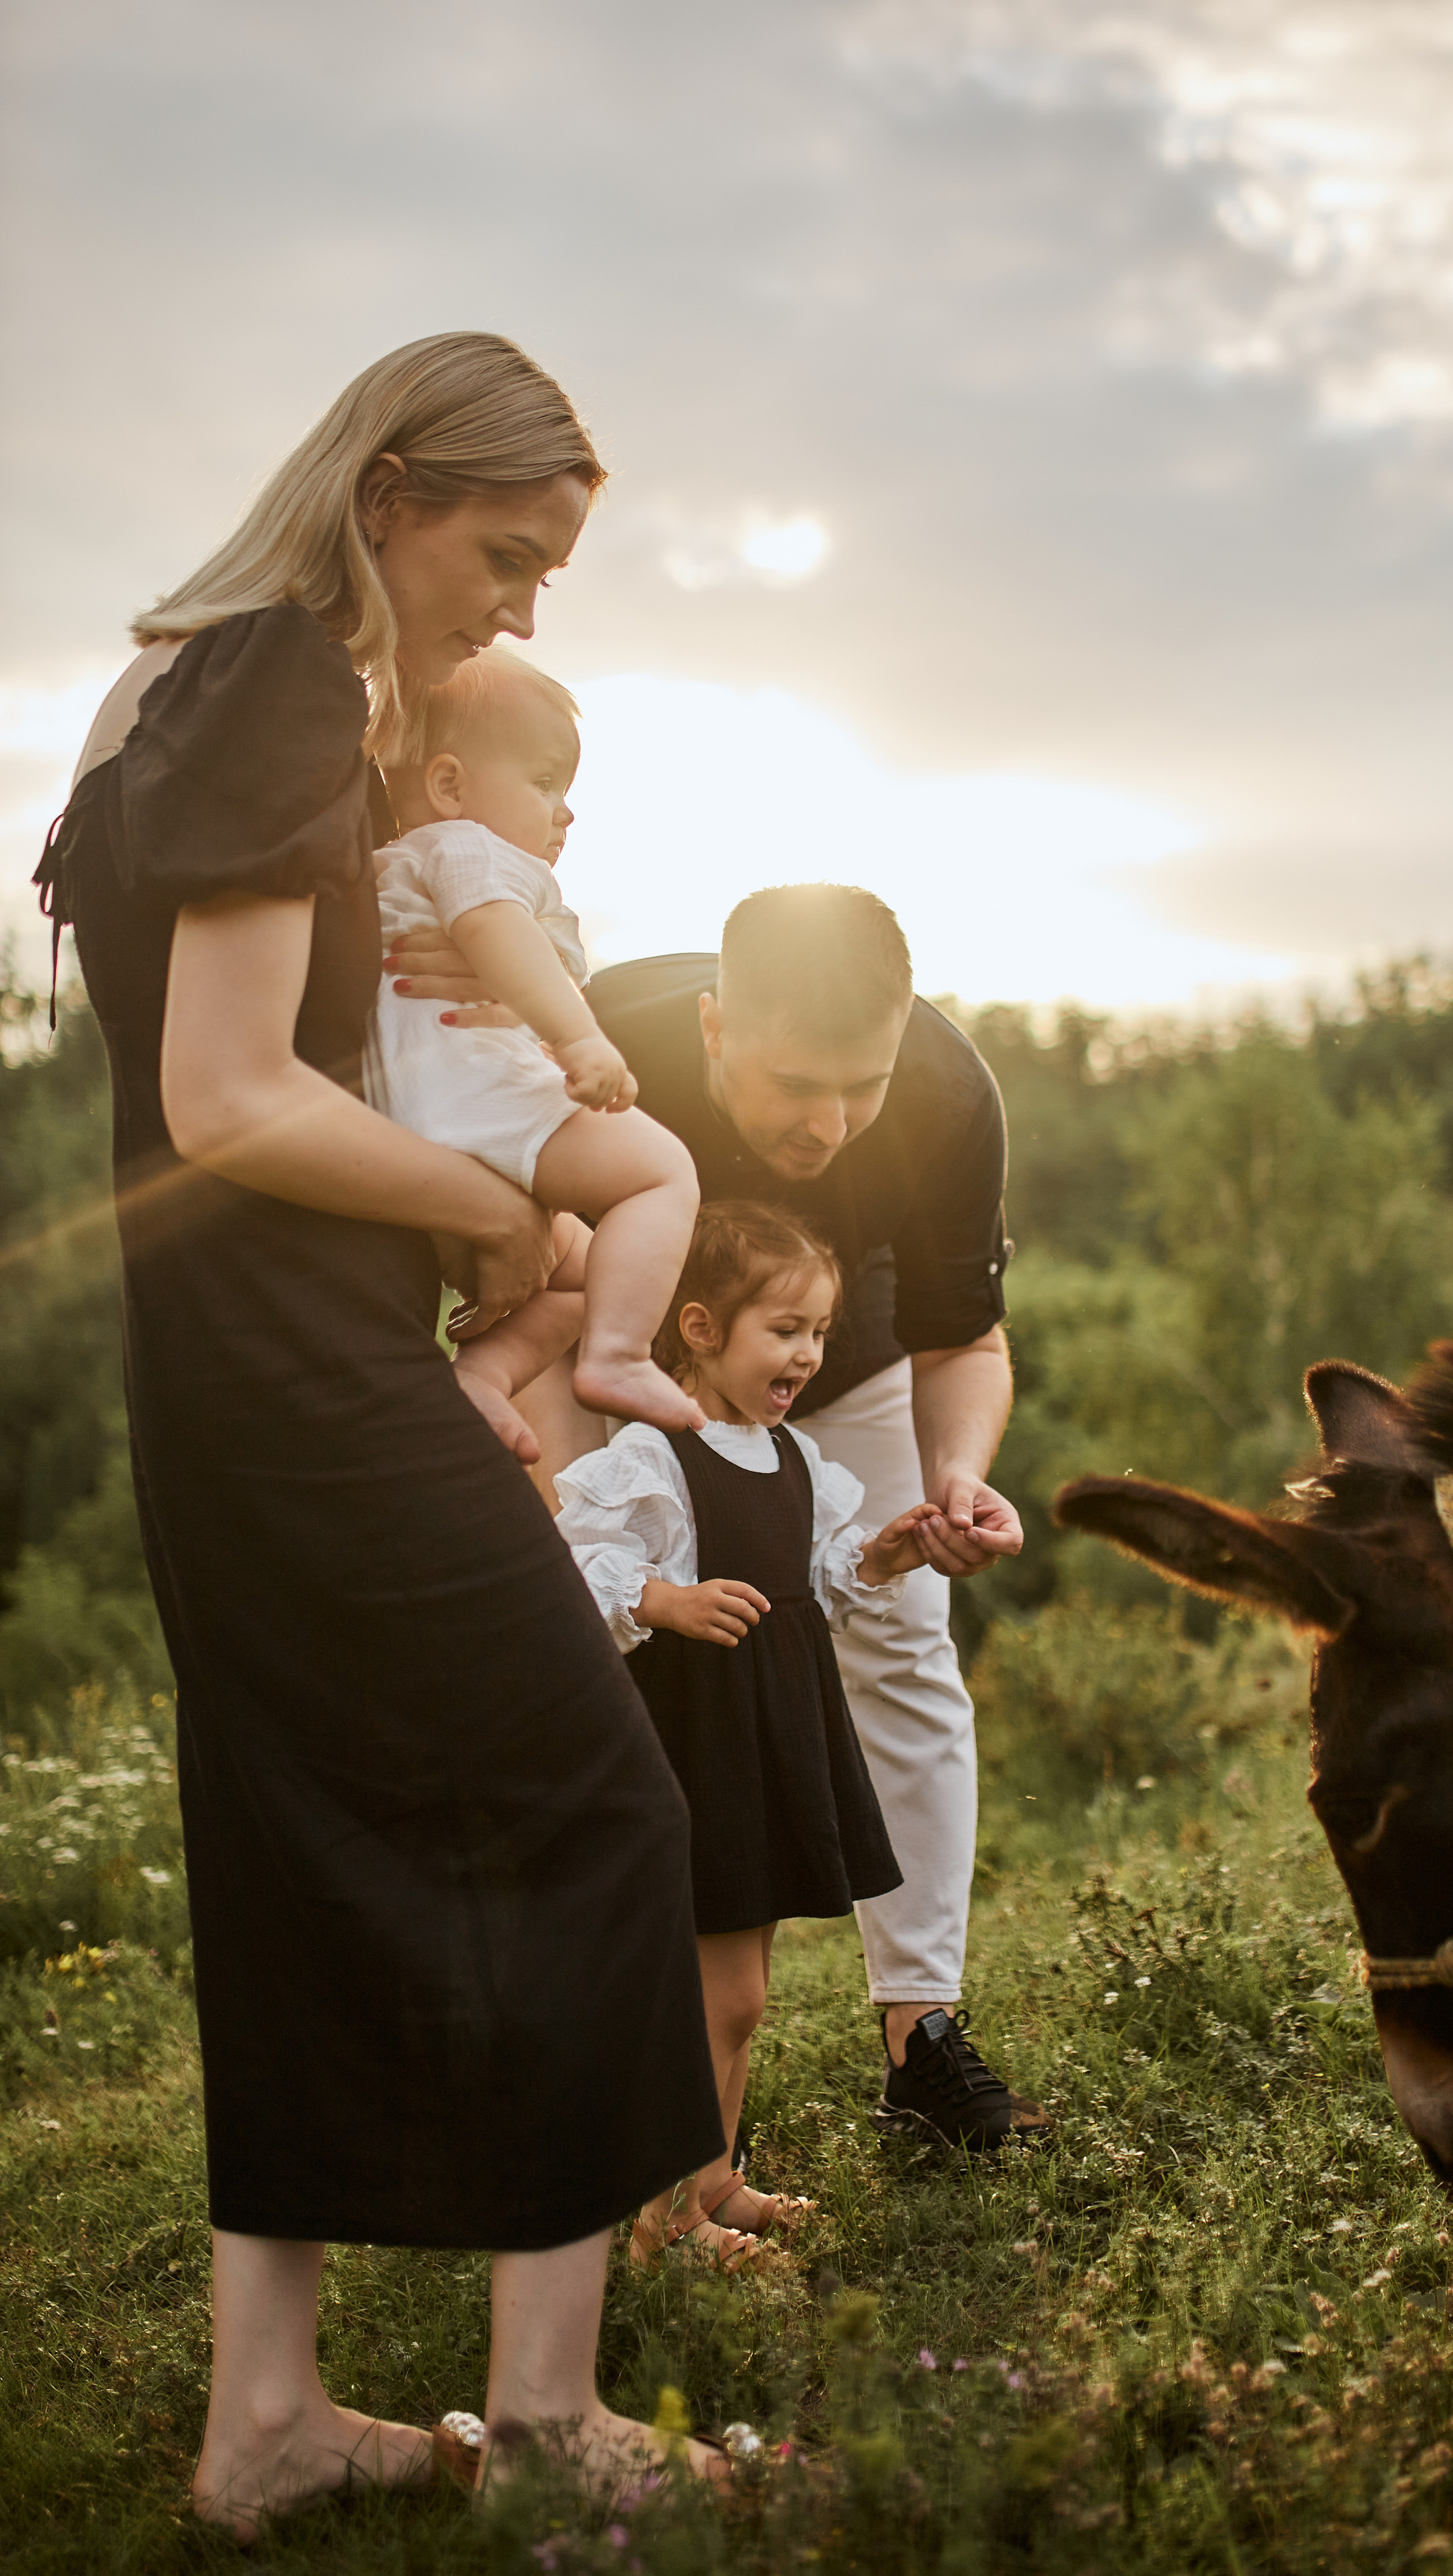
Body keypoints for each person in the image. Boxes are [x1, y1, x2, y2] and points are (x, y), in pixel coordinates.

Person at [32, 333, 726, 2542]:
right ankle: (552, 2424)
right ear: (394, 494)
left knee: (300, 1841)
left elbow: (239, 1056)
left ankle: (268, 2423)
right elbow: (227, 1096)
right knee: (596, 1802)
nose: (516, 613)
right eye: (508, 558)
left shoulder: (176, 681)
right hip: (303, 1373)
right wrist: (495, 1210)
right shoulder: (281, 685)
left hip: (228, 1372)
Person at [393, 881, 1047, 2150]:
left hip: (840, 1362)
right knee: (600, 1656)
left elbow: (964, 1338)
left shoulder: (949, 1095)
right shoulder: (592, 1032)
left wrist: (956, 1477)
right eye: (796, 1084)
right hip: (620, 1360)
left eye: (862, 1086)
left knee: (904, 1641)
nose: (831, 1125)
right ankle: (618, 2043)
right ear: (712, 1027)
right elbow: (513, 1250)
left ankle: (923, 2036)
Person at [554, 1201, 944, 2266]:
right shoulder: (655, 1452)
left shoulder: (797, 1457)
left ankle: (713, 2178)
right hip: (695, 1741)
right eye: (785, 1329)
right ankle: (667, 2221)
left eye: (819, 1331)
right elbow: (575, 1566)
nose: (808, 1354)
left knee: (742, 1991)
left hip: (771, 1741)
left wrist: (883, 1558)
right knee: (719, 1998)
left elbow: (818, 1580)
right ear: (700, 1328)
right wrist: (664, 1599)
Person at [363, 645, 702, 1436]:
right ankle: (620, 1354)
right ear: (450, 786)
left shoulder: (394, 870)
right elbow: (495, 932)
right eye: (546, 783)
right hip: (479, 1097)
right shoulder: (468, 848)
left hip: (412, 1120)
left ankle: (482, 1379)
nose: (565, 812)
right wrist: (579, 1038)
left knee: (579, 1272)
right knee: (661, 1175)